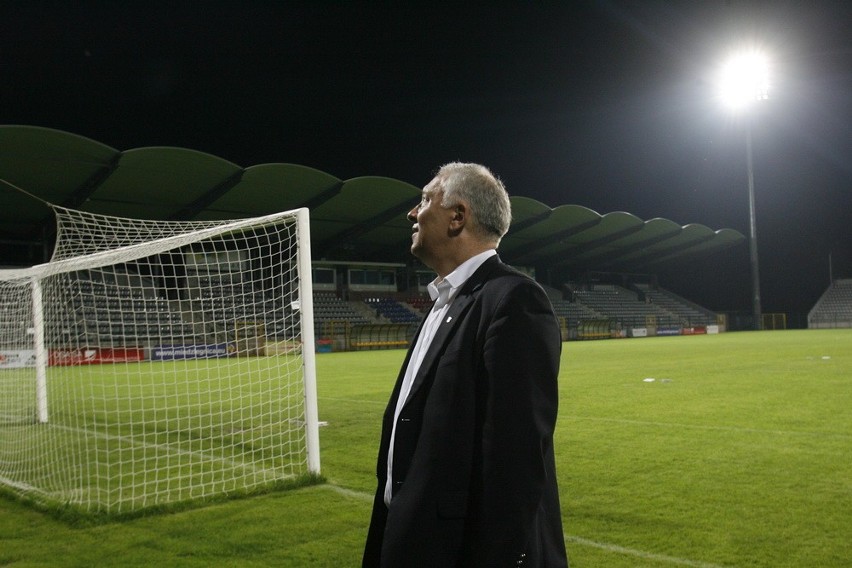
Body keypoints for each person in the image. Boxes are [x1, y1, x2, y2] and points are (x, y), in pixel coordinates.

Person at [363, 163, 568, 567]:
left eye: (424, 200)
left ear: (458, 216)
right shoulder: (444, 302)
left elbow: (515, 461)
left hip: (456, 551)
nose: (412, 213)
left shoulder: (513, 300)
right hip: (412, 539)